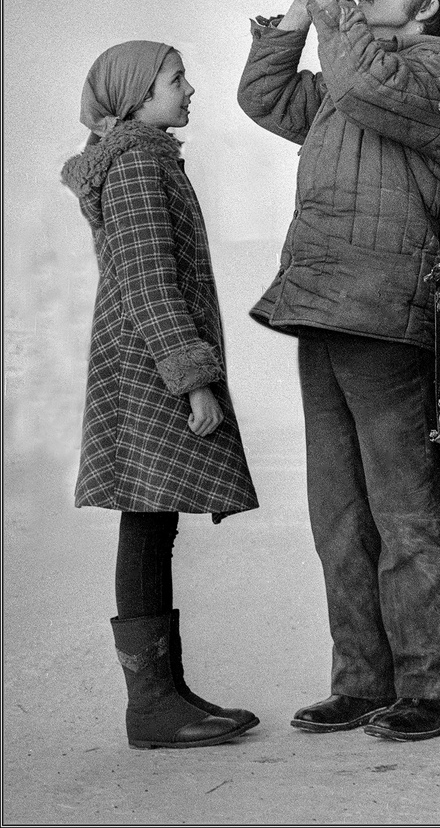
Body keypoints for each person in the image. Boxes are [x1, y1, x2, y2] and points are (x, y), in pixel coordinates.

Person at [236, 0, 440, 741]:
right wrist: (308, 6)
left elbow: (365, 84)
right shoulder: (354, 71)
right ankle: (363, 680)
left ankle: (434, 685)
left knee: (402, 505)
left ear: (433, 4)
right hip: (320, 302)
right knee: (338, 509)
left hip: (382, 309)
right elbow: (264, 98)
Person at [62, 41, 259, 750]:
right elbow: (149, 280)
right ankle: (151, 707)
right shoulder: (140, 158)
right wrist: (194, 381)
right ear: (140, 94)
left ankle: (163, 695)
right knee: (148, 521)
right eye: (177, 79)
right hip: (150, 369)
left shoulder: (134, 153)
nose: (190, 89)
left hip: (139, 361)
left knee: (154, 519)